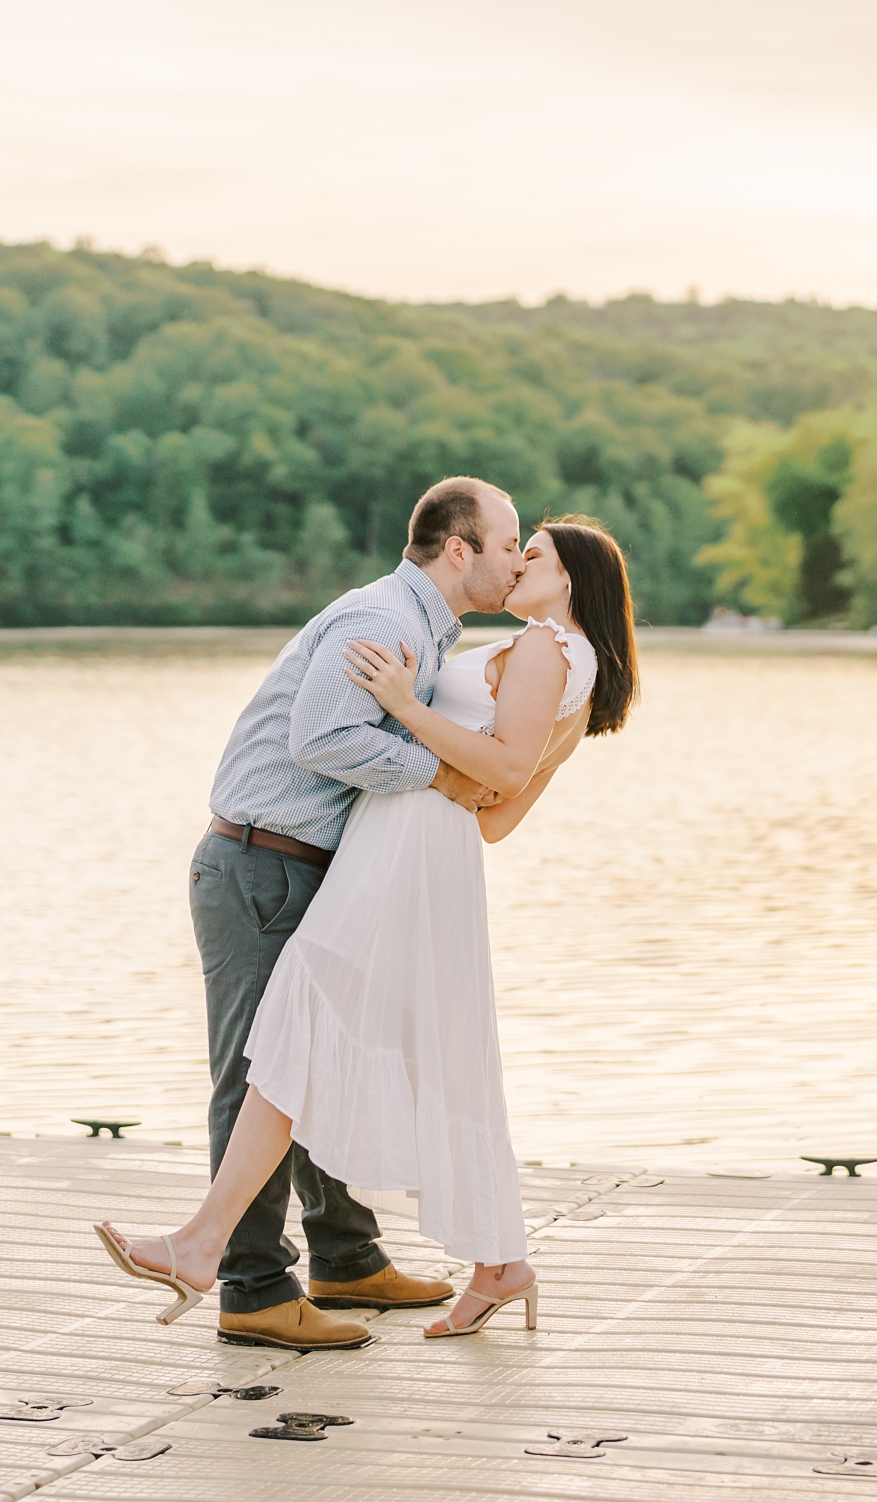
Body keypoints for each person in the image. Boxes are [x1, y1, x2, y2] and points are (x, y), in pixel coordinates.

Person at [97, 511, 639, 1347]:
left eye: (532, 553)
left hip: (406, 848)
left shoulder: (543, 649)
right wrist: (452, 769)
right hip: (401, 846)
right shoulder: (567, 663)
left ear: (570, 578)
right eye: (511, 546)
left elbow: (493, 775)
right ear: (459, 550)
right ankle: (435, 1259)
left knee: (301, 1033)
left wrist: (400, 706)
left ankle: (222, 1254)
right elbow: (496, 804)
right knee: (348, 1040)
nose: (519, 559)